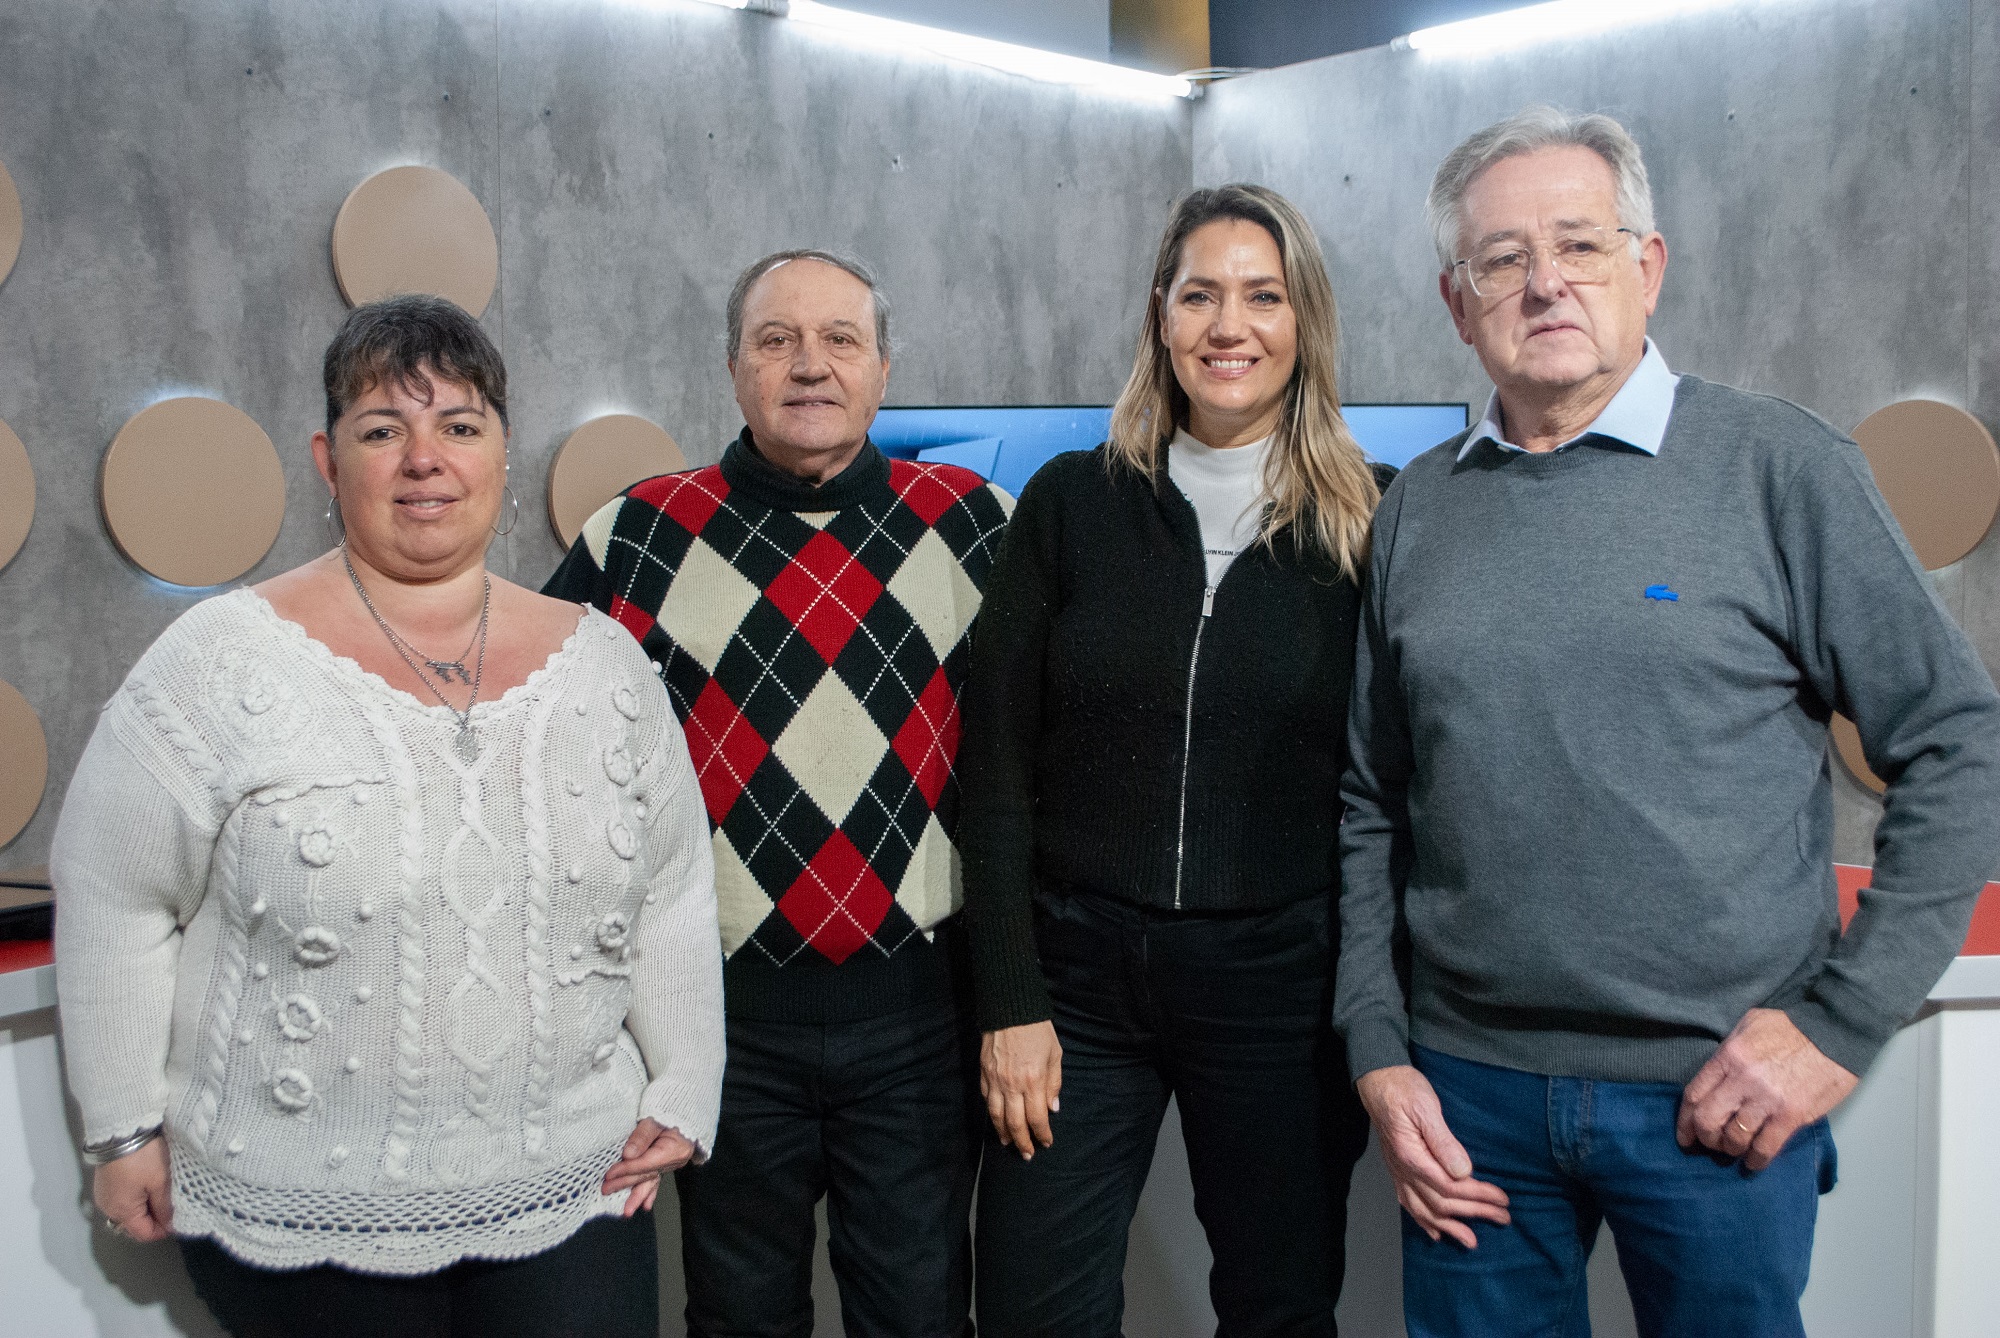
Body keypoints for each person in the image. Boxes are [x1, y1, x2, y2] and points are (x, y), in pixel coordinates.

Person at [1336, 105, 2000, 1338]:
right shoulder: (1417, 509)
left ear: (1646, 266)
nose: (1544, 282)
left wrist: (1838, 1025)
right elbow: (1371, 801)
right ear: (1455, 303)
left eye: (1579, 244)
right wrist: (1376, 1047)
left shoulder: (1778, 468)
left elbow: (1961, 742)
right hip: (1468, 1095)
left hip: (1715, 1092)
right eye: (1501, 258)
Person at [53, 295, 724, 1338]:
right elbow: (113, 894)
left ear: (501, 451)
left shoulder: (606, 665)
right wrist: (121, 1129)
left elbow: (672, 893)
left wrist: (686, 1084)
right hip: (306, 1213)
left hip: (576, 1195)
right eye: (382, 430)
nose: (424, 459)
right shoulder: (219, 661)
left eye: (459, 425)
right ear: (328, 462)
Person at [544, 249, 1011, 1338]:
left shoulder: (976, 523)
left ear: (883, 370)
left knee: (920, 1316)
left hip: (919, 1023)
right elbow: (546, 759)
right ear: (732, 368)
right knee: (738, 1317)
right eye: (776, 340)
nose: (810, 365)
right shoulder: (638, 535)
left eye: (841, 339)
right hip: (720, 1028)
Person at [959, 184, 1386, 1337]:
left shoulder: (1371, 522)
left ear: (1303, 321)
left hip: (1281, 987)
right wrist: (1009, 998)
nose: (1227, 326)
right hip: (1075, 983)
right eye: (1199, 295)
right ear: (1159, 314)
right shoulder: (1070, 503)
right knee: (1032, 1308)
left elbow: (1398, 789)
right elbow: (991, 770)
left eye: (1262, 296)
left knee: (1275, 1307)